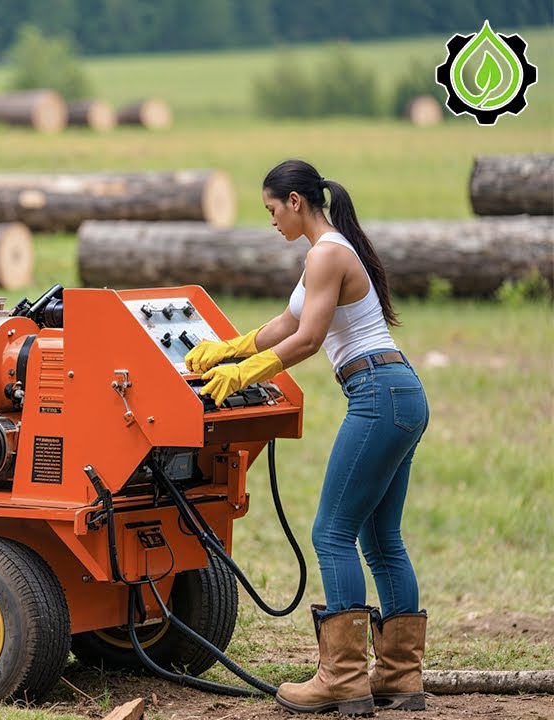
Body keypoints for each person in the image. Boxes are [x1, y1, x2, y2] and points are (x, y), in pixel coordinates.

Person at [184, 159, 430, 716]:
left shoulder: (326, 254)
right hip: (399, 392)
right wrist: (229, 349)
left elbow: (309, 339)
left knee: (331, 532)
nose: (272, 220)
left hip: (377, 394)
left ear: (295, 202)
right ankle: (399, 676)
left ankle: (342, 679)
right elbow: (287, 323)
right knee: (381, 539)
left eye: (272, 209)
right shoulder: (328, 250)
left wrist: (245, 374)